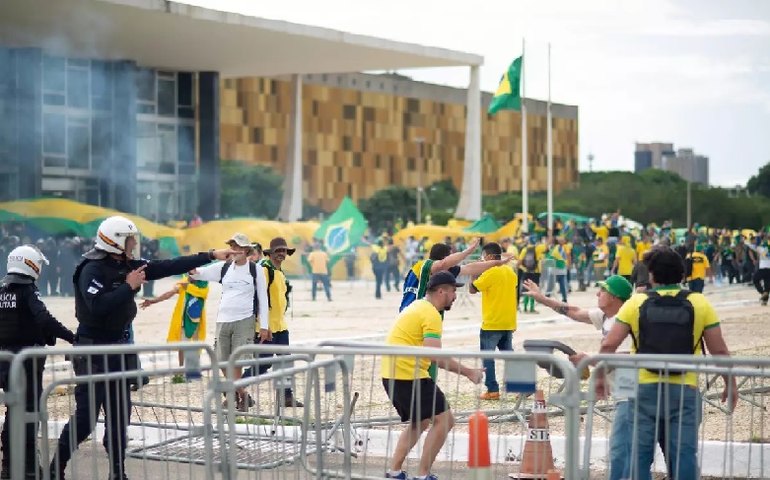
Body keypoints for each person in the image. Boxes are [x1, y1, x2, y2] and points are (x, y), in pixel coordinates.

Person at [50, 216, 233, 480]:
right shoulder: (91, 269)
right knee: (85, 420)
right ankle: (55, 469)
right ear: (114, 242)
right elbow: (97, 307)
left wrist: (211, 255)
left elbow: (168, 266)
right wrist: (129, 287)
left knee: (119, 418)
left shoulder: (129, 265)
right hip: (93, 352)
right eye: (129, 240)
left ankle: (118, 473)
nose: (134, 244)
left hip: (120, 350)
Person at [596, 245, 738, 480]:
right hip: (685, 389)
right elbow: (719, 350)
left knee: (638, 456)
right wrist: (730, 383)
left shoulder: (636, 303)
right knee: (684, 455)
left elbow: (608, 345)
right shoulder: (699, 303)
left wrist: (600, 377)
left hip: (643, 389)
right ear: (682, 274)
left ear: (651, 274)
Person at [381, 272, 484, 480]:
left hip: (393, 373)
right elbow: (435, 355)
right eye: (453, 291)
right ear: (441, 291)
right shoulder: (430, 314)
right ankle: (422, 475)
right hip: (408, 375)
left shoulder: (418, 306)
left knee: (420, 422)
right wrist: (469, 372)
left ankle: (395, 471)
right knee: (445, 420)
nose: (455, 296)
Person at [0, 245, 75, 479]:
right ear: (30, 265)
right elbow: (44, 319)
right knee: (31, 413)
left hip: (5, 361)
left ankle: (8, 466)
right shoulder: (28, 290)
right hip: (27, 363)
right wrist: (72, 337)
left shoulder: (2, 289)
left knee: (13, 412)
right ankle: (30, 467)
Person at [189, 233, 270, 413]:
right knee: (222, 361)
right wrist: (192, 267)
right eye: (232, 246)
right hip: (223, 320)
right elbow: (198, 274)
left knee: (237, 361)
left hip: (245, 320)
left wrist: (264, 325)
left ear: (247, 250)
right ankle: (242, 393)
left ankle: (236, 398)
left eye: (238, 247)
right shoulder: (223, 267)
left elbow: (263, 298)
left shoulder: (255, 269)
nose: (234, 250)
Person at [250, 237, 304, 407]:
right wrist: (262, 325)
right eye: (278, 251)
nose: (281, 253)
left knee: (285, 362)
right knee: (262, 363)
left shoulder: (279, 271)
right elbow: (258, 297)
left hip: (280, 325)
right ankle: (235, 391)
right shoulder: (265, 270)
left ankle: (286, 396)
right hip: (266, 327)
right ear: (271, 253)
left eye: (283, 251)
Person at [469, 242, 518, 400]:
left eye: (483, 257)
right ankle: (522, 386)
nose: (483, 260)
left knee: (488, 358)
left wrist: (474, 271)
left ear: (489, 257)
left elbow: (472, 289)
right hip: (508, 321)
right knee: (510, 356)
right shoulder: (510, 272)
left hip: (492, 323)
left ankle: (492, 390)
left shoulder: (490, 273)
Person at [140, 274, 209, 382]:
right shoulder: (184, 283)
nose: (190, 275)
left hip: (197, 320)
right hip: (183, 319)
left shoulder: (203, 285)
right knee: (182, 345)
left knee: (196, 345)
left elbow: (203, 294)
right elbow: (169, 294)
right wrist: (153, 301)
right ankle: (181, 371)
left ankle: (194, 372)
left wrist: (188, 287)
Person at [752, 238, 770, 305]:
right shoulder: (763, 248)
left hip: (763, 268)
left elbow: (754, 247)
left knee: (755, 279)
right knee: (767, 284)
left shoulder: (761, 248)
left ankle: (763, 293)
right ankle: (765, 300)